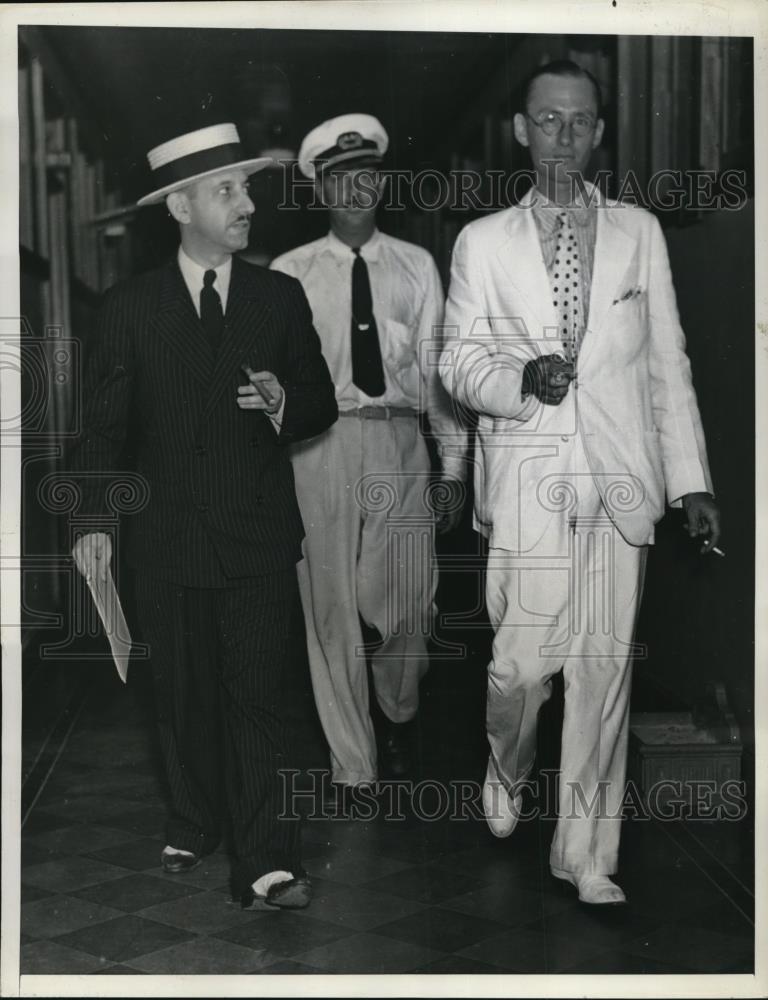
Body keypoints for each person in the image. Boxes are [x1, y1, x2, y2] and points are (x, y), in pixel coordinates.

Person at [439, 61, 721, 905]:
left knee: (602, 671)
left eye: (581, 122)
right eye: (548, 121)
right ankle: (506, 762)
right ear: (521, 131)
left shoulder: (639, 232)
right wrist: (520, 381)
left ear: (600, 134)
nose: (564, 136)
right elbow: (457, 362)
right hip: (527, 476)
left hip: (621, 479)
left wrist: (689, 480)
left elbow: (667, 364)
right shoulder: (482, 243)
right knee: (522, 670)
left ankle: (587, 854)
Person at [69, 122, 338, 911]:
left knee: (259, 697)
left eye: (247, 188)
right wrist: (92, 522)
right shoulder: (128, 308)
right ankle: (194, 816)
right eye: (228, 190)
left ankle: (266, 860)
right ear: (181, 205)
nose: (247, 203)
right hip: (167, 537)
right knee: (183, 696)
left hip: (255, 532)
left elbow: (318, 398)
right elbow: (103, 429)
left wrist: (288, 403)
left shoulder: (278, 298)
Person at [271, 114, 468, 788]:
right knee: (327, 605)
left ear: (381, 182)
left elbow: (440, 373)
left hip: (398, 439)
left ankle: (399, 711)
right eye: (340, 178)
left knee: (408, 602)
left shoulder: (416, 265)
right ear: (320, 189)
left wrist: (453, 464)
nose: (356, 189)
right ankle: (353, 764)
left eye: (367, 175)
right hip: (318, 446)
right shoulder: (287, 273)